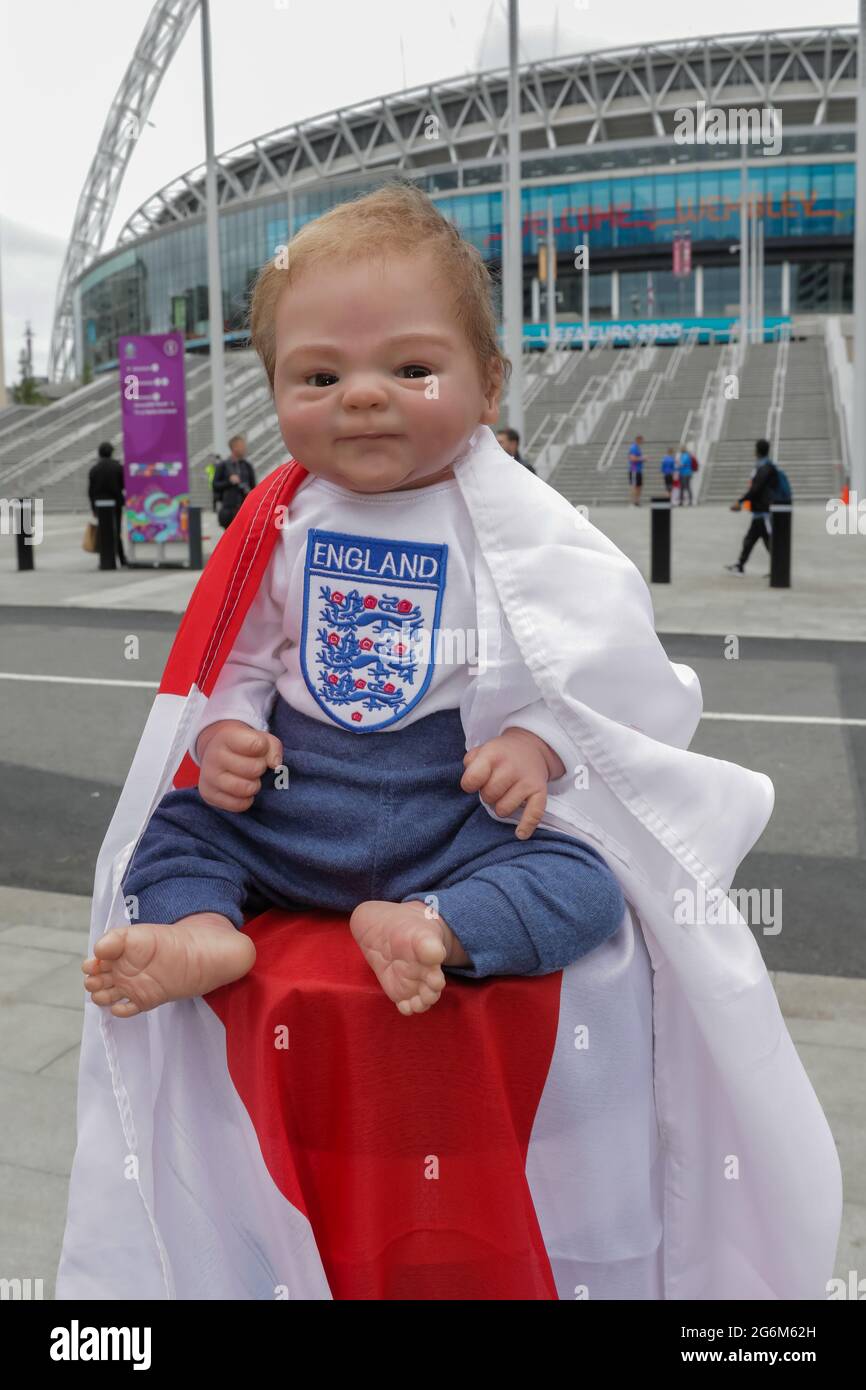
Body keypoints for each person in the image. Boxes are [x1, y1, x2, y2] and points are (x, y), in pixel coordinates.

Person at [68, 183, 841, 1305]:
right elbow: (241, 649)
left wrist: (534, 745)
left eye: (410, 370)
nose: (364, 399)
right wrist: (231, 723)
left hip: (449, 816)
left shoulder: (522, 529)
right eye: (319, 376)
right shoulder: (281, 524)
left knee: (577, 881)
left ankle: (433, 928)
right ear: (275, 389)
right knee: (177, 827)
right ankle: (202, 931)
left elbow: (587, 678)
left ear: (487, 384)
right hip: (301, 798)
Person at [726, 439, 779, 574]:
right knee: (751, 540)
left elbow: (756, 488)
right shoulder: (763, 466)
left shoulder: (765, 468)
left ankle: (779, 567)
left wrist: (741, 501)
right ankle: (740, 565)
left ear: (758, 450)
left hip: (764, 510)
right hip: (760, 510)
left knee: (768, 541)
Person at [87, 441, 127, 566]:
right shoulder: (118, 467)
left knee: (104, 532)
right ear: (111, 453)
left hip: (100, 506)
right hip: (116, 504)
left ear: (99, 454)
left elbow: (91, 491)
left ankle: (105, 559)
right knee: (116, 531)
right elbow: (123, 485)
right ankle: (121, 558)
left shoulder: (94, 469)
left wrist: (93, 507)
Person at [213, 434, 256, 528]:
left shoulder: (247, 466)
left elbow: (254, 488)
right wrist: (229, 482)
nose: (245, 448)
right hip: (228, 512)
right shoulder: (223, 465)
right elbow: (215, 485)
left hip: (244, 510)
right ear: (234, 447)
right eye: (242, 446)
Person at [627, 435, 645, 505]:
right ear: (638, 440)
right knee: (634, 486)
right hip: (634, 470)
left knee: (639, 486)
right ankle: (633, 501)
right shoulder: (633, 447)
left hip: (639, 470)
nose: (643, 442)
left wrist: (641, 458)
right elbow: (632, 458)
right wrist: (642, 458)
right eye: (642, 440)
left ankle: (637, 501)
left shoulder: (638, 448)